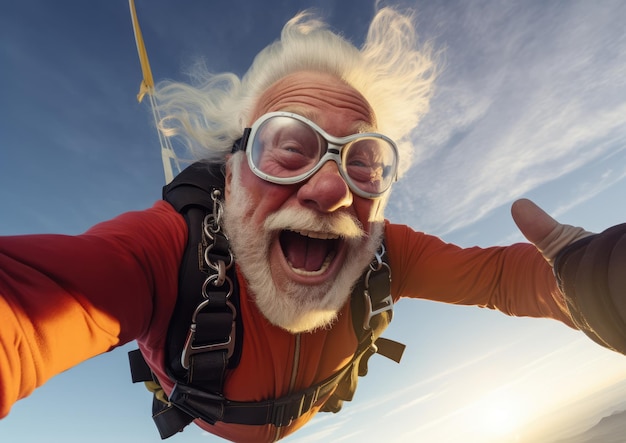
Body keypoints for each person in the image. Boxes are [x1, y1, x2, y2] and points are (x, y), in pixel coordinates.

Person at [1, 7, 624, 443]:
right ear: (232, 170)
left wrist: (598, 281)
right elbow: (28, 309)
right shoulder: (168, 251)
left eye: (364, 161)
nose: (331, 188)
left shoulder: (382, 252)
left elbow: (503, 279)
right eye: (289, 147)